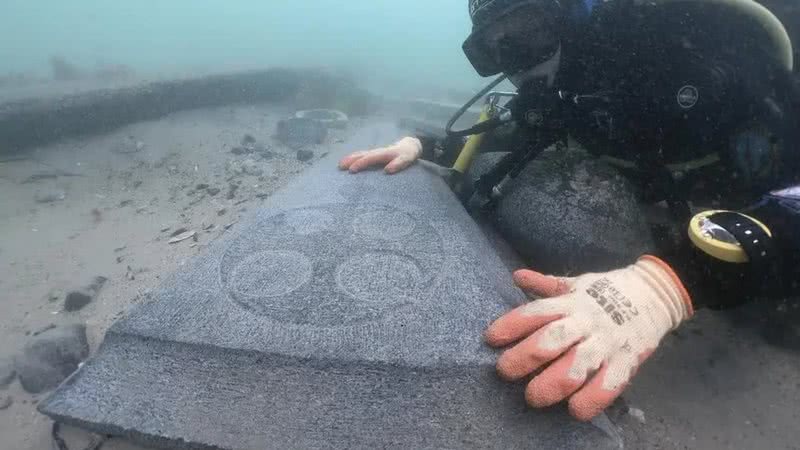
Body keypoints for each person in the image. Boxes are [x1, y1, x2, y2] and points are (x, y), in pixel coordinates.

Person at [339, 0, 800, 422]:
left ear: (569, 14)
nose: (519, 61)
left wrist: (674, 282)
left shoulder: (693, 55)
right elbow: (516, 133)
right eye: (497, 47)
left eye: (527, 30)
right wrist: (424, 143)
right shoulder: (569, 90)